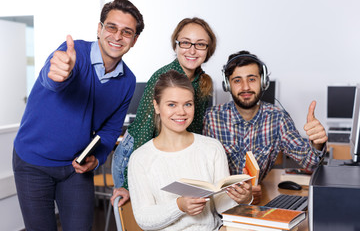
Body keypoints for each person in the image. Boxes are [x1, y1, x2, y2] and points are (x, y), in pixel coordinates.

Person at [12, 0, 144, 231]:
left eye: (127, 32)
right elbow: (53, 80)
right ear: (99, 28)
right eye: (111, 27)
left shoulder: (128, 80)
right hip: (33, 162)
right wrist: (57, 75)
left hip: (75, 168)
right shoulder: (71, 54)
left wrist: (98, 157)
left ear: (134, 40)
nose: (117, 36)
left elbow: (111, 129)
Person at [128, 70, 253, 230]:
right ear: (157, 106)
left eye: (188, 104)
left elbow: (223, 207)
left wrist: (243, 198)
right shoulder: (141, 158)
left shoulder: (212, 148)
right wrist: (179, 206)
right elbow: (144, 219)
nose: (181, 112)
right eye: (172, 104)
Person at [111, 17, 217, 206]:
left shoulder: (202, 82)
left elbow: (194, 130)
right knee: (142, 215)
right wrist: (128, 184)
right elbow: (145, 131)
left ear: (209, 50)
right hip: (136, 154)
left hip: (169, 152)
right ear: (175, 46)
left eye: (200, 44)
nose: (192, 50)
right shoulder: (163, 79)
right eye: (185, 43)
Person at [203, 50, 328, 204]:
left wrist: (318, 142)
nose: (246, 87)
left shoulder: (278, 118)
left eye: (252, 79)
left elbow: (310, 162)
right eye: (237, 80)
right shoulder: (210, 118)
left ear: (263, 82)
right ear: (227, 84)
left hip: (255, 202)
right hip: (217, 203)